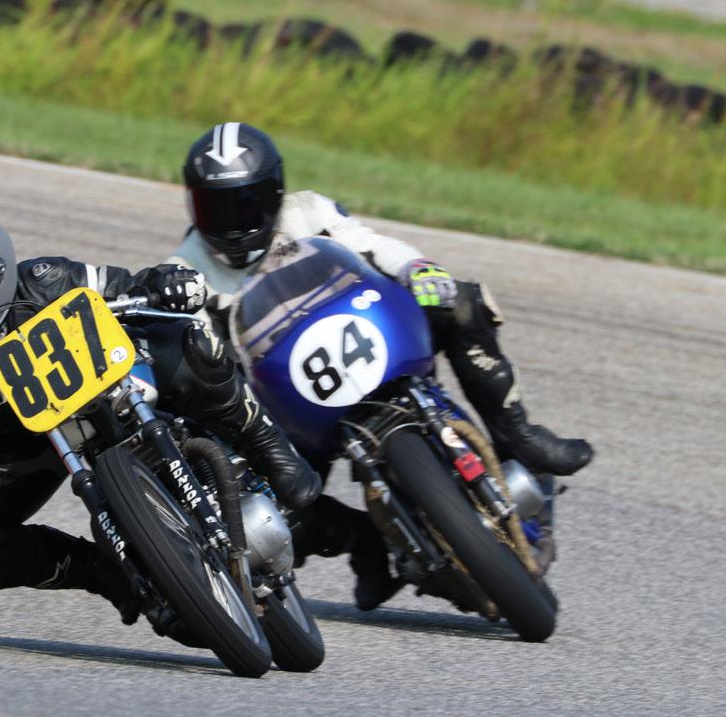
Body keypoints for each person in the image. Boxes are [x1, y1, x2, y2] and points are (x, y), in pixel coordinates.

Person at [167, 122, 593, 610]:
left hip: (372, 332)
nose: (233, 222)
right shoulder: (183, 272)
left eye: (247, 204)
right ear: (193, 206)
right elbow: (196, 359)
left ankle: (519, 436)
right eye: (215, 208)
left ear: (275, 193)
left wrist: (418, 270)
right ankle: (364, 543)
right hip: (288, 406)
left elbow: (370, 244)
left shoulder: (308, 210)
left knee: (460, 302)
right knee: (266, 507)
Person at [0, 207, 322, 625]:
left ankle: (265, 439)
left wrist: (167, 283)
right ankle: (105, 574)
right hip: (23, 447)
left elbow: (131, 286)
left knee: (187, 338)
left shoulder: (46, 280)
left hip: (111, 387)